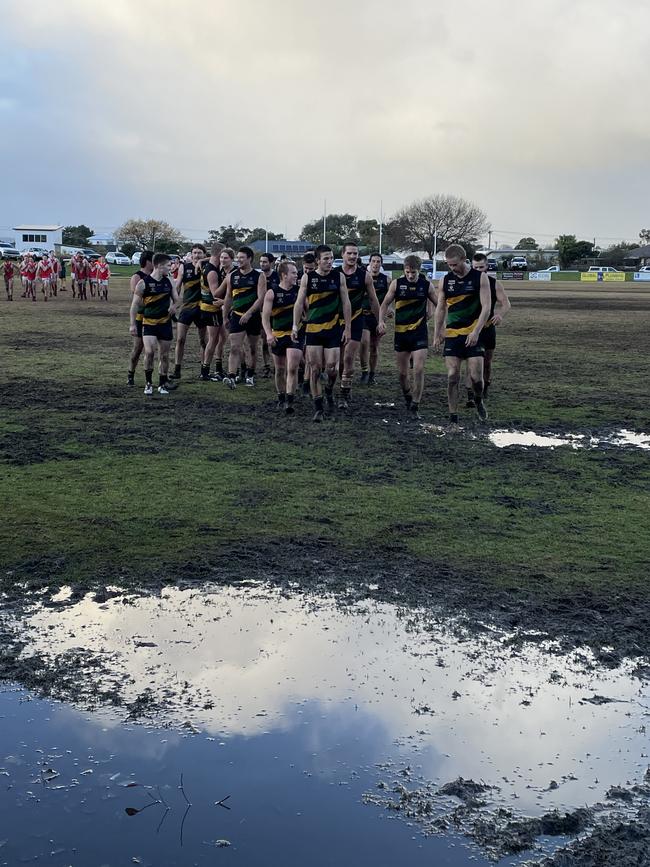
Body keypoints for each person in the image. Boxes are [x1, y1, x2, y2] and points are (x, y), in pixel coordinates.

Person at [433, 244, 492, 427]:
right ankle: (453, 417)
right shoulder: (445, 281)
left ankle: (478, 399)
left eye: (454, 265)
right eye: (449, 265)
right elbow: (441, 308)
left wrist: (476, 331)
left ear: (464, 260)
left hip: (473, 334)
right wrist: (437, 333)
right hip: (452, 334)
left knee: (476, 378)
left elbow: (487, 307)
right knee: (452, 376)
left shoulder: (480, 278)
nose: (452, 269)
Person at [292, 244, 351, 422]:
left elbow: (346, 302)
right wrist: (295, 326)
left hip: (333, 330)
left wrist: (347, 327)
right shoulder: (308, 278)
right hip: (313, 330)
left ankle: (329, 390)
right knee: (315, 369)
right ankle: (318, 408)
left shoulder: (338, 276)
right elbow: (299, 302)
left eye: (331, 258)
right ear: (318, 260)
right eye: (326, 259)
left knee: (332, 367)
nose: (329, 261)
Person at [377, 255, 437, 419]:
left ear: (420, 270)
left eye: (414, 272)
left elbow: (440, 304)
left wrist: (437, 317)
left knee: (418, 369)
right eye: (408, 272)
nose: (411, 275)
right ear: (404, 270)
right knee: (403, 374)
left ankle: (415, 404)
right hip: (401, 334)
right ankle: (408, 397)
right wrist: (381, 321)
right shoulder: (397, 284)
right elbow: (384, 304)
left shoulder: (426, 285)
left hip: (420, 333)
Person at [335, 241, 380, 408]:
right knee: (337, 362)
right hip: (335, 321)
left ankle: (343, 395)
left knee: (348, 357)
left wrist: (379, 320)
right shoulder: (334, 273)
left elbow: (374, 300)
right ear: (343, 255)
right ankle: (342, 385)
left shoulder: (364, 276)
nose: (353, 256)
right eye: (350, 253)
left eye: (355, 254)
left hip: (355, 320)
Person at [129, 253, 180, 395]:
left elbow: (177, 299)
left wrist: (174, 306)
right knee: (150, 352)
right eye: (168, 266)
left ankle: (162, 384)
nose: (171, 268)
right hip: (149, 323)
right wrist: (132, 324)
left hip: (165, 324)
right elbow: (134, 305)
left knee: (164, 355)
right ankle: (148, 383)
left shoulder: (169, 281)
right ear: (159, 266)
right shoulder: (143, 283)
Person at [464, 253, 511, 404]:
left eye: (481, 267)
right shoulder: (466, 282)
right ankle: (470, 394)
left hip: (487, 329)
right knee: (470, 361)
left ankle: (485, 388)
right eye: (475, 267)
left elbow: (506, 303)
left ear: (487, 267)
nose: (478, 270)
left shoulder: (494, 283)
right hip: (470, 328)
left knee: (487, 362)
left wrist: (500, 315)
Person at [262, 260, 304, 414]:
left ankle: (290, 401)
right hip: (277, 335)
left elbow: (307, 310)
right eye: (293, 272)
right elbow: (265, 318)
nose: (296, 275)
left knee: (292, 367)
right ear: (284, 275)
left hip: (295, 335)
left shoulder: (299, 291)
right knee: (279, 370)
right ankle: (281, 397)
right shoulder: (272, 292)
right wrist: (268, 334)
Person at [222, 246, 267, 388]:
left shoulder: (259, 276)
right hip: (236, 316)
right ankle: (231, 376)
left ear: (249, 259)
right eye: (238, 257)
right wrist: (225, 317)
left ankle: (250, 374)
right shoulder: (232, 276)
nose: (239, 260)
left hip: (253, 317)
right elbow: (228, 297)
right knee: (234, 347)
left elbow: (261, 298)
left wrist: (249, 313)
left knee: (252, 348)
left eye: (242, 257)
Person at [170, 244, 209, 381]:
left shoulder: (207, 266)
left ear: (204, 254)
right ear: (191, 254)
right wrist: (174, 304)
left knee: (204, 341)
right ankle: (177, 369)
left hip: (202, 308)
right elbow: (178, 286)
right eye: (194, 253)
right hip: (187, 308)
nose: (197, 255)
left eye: (200, 253)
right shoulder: (184, 267)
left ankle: (204, 370)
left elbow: (217, 256)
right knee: (180, 339)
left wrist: (202, 261)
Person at [197, 242, 226, 381]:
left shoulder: (208, 265)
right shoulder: (212, 271)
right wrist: (227, 283)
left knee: (221, 338)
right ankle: (205, 371)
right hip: (211, 308)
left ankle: (217, 368)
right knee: (213, 340)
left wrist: (202, 259)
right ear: (220, 254)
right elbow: (215, 294)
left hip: (210, 307)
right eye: (224, 254)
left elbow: (211, 257)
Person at [361, 252, 390, 385]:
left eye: (378, 262)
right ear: (369, 263)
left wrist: (390, 310)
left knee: (374, 347)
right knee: (364, 342)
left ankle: (372, 374)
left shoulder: (386, 280)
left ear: (381, 264)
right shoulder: (364, 278)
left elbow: (391, 298)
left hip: (378, 318)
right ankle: (364, 372)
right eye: (373, 261)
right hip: (363, 315)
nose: (376, 264)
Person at [127, 250, 154, 387]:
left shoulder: (157, 276)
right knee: (138, 348)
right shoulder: (137, 277)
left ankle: (153, 378)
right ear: (148, 261)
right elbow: (137, 299)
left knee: (152, 349)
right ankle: (130, 373)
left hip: (154, 318)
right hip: (141, 317)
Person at [210, 247, 235, 380]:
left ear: (232, 259)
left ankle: (241, 371)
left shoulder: (235, 273)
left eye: (226, 258)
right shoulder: (220, 270)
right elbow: (210, 258)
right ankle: (219, 369)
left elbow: (237, 296)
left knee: (234, 342)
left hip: (233, 310)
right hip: (220, 310)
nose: (222, 260)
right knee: (220, 340)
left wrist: (224, 303)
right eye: (221, 257)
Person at [259, 253, 279, 378]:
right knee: (265, 341)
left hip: (276, 313)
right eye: (261, 261)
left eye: (265, 262)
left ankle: (278, 366)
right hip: (262, 313)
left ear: (271, 263)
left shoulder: (277, 276)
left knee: (277, 340)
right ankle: (267, 366)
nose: (262, 264)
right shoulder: (258, 276)